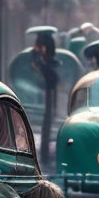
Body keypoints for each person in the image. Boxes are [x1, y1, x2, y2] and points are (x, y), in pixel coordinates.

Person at [31, 31, 59, 164]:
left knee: (47, 122)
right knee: (44, 122)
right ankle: (43, 153)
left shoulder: (44, 58)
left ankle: (45, 152)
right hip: (40, 94)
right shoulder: (36, 57)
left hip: (47, 92)